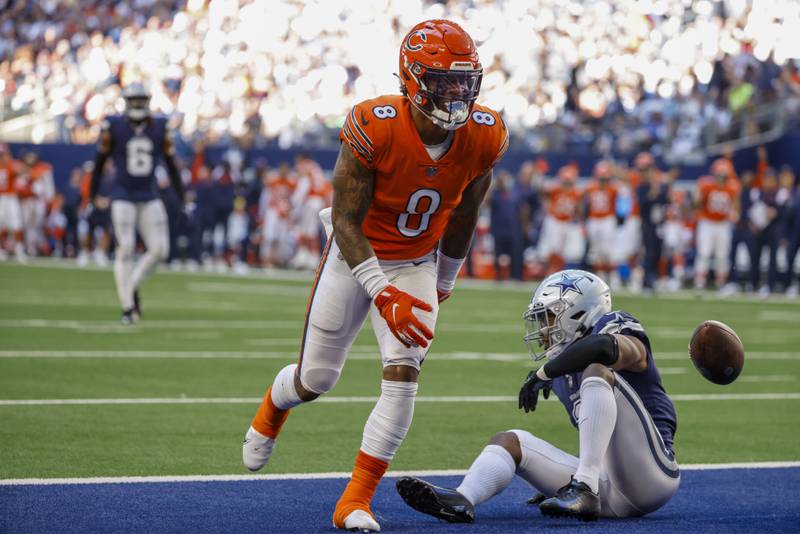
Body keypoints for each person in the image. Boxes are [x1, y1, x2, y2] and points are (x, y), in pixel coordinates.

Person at [241, 19, 508, 532]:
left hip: (415, 262)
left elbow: (466, 212)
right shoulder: (375, 123)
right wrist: (381, 292)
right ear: (411, 79)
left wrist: (445, 279)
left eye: (463, 81)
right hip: (354, 255)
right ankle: (274, 407)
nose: (455, 93)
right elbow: (344, 220)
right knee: (316, 379)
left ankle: (354, 502)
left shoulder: (484, 134)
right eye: (443, 81)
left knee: (405, 372)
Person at [396, 269, 679, 523]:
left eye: (550, 316)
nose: (543, 329)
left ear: (578, 312)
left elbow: (605, 348)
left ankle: (583, 488)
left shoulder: (612, 328)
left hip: (653, 474)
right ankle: (462, 499)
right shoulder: (563, 368)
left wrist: (546, 372)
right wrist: (547, 479)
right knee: (509, 441)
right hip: (608, 485)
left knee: (596, 369)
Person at [90, 83, 184, 324]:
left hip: (149, 194)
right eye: (135, 100)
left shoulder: (160, 127)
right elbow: (100, 161)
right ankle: (127, 308)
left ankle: (130, 287)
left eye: (142, 100)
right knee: (126, 247)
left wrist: (180, 193)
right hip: (122, 195)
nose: (138, 105)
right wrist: (93, 193)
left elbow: (171, 164)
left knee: (160, 249)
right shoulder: (113, 126)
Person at [693, 158, 740, 290]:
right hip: (707, 222)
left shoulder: (732, 187)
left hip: (723, 223)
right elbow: (697, 203)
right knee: (704, 252)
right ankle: (699, 281)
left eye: (724, 175)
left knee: (722, 255)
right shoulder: (706, 184)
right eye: (719, 175)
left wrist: (735, 214)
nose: (721, 178)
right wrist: (698, 195)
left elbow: (736, 205)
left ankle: (721, 283)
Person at [584, 161, 618, 283]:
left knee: (608, 250)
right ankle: (600, 276)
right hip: (594, 220)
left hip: (607, 219)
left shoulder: (614, 189)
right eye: (601, 178)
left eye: (605, 178)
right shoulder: (590, 188)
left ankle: (613, 276)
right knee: (596, 250)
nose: (603, 181)